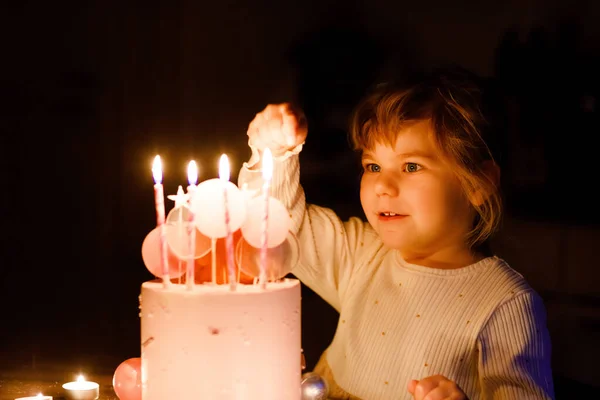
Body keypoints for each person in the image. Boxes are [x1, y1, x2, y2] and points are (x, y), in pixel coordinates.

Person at [238, 67, 555, 400]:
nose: (383, 186)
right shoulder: (361, 254)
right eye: (373, 166)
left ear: (479, 183)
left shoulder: (504, 303)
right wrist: (273, 151)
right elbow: (279, 225)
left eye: (411, 166)